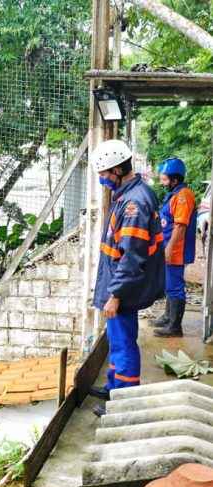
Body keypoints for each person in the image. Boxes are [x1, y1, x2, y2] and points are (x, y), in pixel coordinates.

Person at [89, 139, 165, 416]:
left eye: (105, 173)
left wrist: (115, 295)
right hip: (121, 285)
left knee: (123, 343)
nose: (102, 179)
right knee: (117, 338)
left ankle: (124, 400)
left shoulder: (133, 204)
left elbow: (131, 257)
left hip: (124, 289)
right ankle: (113, 386)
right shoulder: (132, 193)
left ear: (119, 169)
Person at [150, 157, 196, 337]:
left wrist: (168, 249)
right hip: (170, 247)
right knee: (169, 284)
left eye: (165, 179)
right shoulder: (175, 194)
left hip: (177, 249)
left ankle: (175, 327)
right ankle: (168, 317)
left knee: (175, 286)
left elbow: (180, 226)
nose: (163, 183)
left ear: (175, 179)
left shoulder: (183, 196)